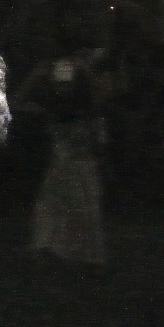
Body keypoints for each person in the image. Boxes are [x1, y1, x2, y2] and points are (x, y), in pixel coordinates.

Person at [15, 43, 106, 265]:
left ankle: (83, 257)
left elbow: (99, 134)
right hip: (63, 167)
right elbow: (18, 103)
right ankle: (53, 251)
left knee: (80, 211)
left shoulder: (86, 109)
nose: (64, 90)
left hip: (79, 167)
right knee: (52, 207)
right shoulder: (55, 107)